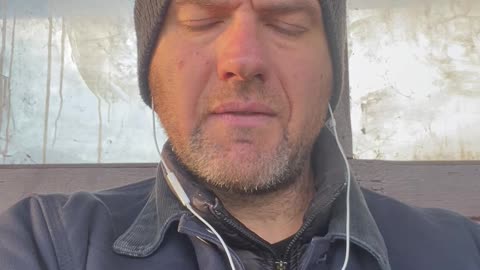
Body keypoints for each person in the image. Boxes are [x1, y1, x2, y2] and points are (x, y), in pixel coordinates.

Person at [1, 0, 479, 269]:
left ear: (332, 71)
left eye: (287, 22)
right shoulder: (49, 244)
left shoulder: (460, 251)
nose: (242, 59)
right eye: (202, 20)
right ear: (151, 68)